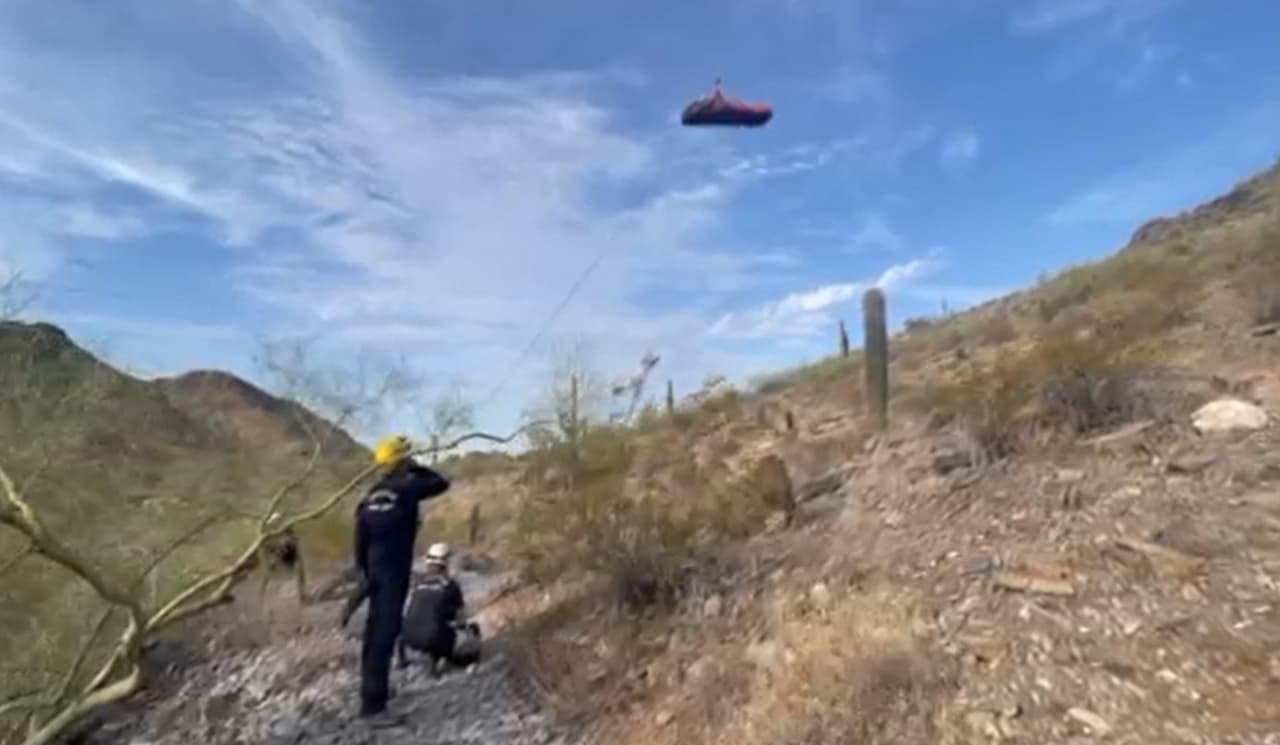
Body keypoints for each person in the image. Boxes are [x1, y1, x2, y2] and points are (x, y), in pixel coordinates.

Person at [349, 434, 450, 720]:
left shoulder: (371, 494)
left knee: (373, 631)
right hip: (394, 571)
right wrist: (415, 467)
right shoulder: (408, 487)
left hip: (374, 571)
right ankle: (373, 708)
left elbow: (360, 537)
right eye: (407, 455)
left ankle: (372, 690)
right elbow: (441, 482)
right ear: (402, 460)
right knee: (385, 632)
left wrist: (363, 573)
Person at [395, 542, 482, 674]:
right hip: (434, 638)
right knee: (471, 630)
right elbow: (461, 620)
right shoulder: (451, 586)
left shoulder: (417, 582)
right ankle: (454, 660)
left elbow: (408, 609)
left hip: (408, 637)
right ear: (447, 562)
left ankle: (401, 659)